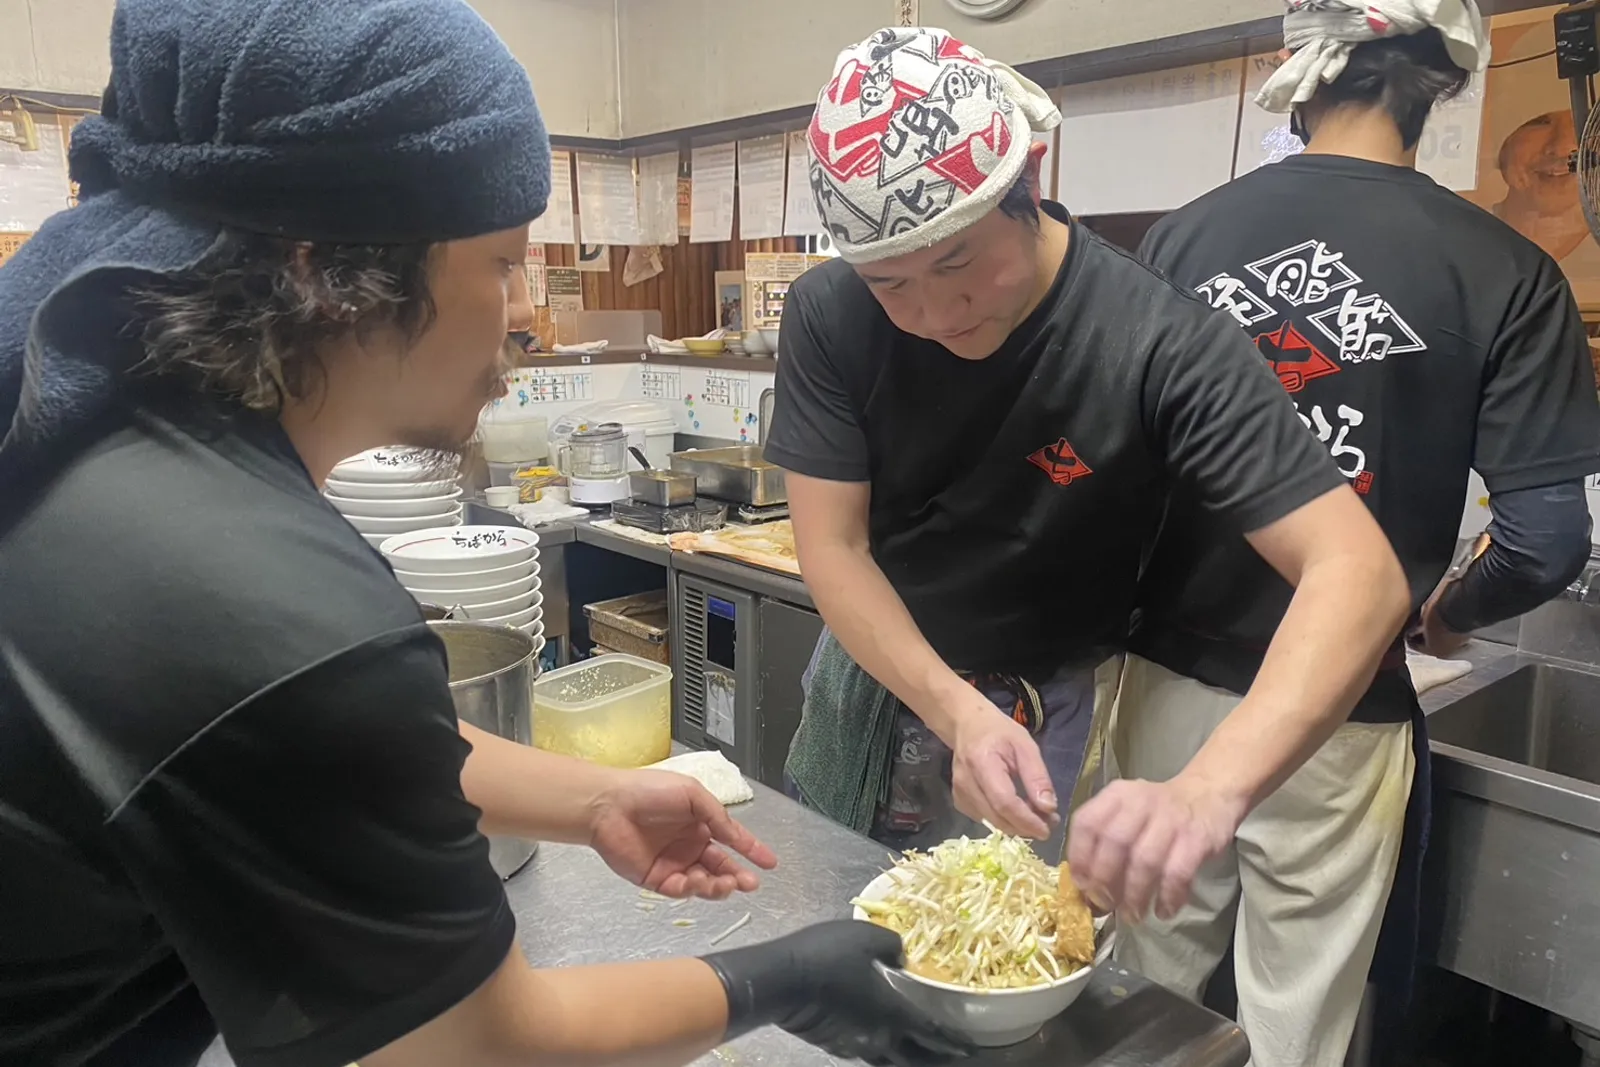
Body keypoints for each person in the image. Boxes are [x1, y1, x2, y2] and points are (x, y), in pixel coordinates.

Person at [0, 3, 969, 1066]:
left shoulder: (108, 449)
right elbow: (472, 1047)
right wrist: (778, 976)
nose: (519, 313)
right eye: (505, 263)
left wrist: (592, 794)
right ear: (331, 271)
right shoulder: (247, 591)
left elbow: (305, 742)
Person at [766, 26, 1410, 871]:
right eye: (892, 283)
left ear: (1026, 182)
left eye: (959, 261)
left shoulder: (1158, 343)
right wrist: (956, 711)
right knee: (829, 921)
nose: (935, 310)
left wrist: (1210, 789)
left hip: (1047, 707)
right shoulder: (828, 312)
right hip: (874, 677)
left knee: (997, 955)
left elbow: (1358, 574)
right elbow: (833, 546)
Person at [1118, 3, 1600, 1065]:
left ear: (1307, 71)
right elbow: (1545, 538)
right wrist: (1444, 610)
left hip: (1167, 690)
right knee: (1295, 1026)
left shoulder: (1183, 238)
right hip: (1341, 713)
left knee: (1133, 1000)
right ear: (1444, 90)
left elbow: (1114, 475)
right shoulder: (1506, 270)